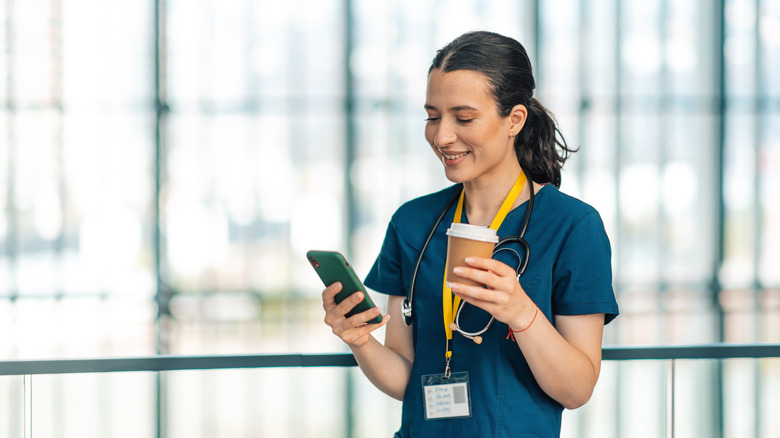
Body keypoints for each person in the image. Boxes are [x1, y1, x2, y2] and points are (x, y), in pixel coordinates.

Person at [322, 30, 619, 437]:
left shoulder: (573, 227)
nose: (442, 136)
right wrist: (358, 340)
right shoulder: (412, 223)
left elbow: (577, 388)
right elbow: (405, 378)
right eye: (432, 116)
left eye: (463, 118)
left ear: (514, 119)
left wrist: (520, 311)